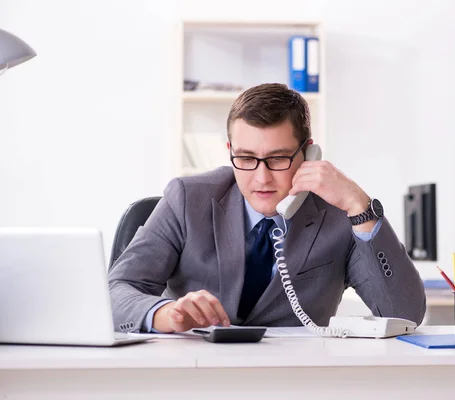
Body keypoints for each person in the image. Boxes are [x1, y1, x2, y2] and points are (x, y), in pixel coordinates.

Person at [108, 83, 426, 333]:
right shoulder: (187, 199)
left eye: (278, 158)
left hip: (295, 382)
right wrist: (164, 314)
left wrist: (360, 207)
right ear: (229, 150)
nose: (261, 178)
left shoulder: (340, 214)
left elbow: (405, 315)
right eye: (246, 158)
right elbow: (115, 292)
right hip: (196, 376)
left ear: (309, 152)